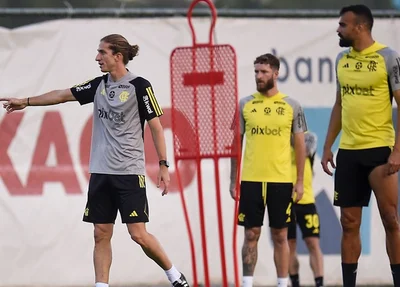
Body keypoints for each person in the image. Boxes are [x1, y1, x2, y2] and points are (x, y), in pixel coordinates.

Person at [0, 34, 189, 287]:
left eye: (102, 52)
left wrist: (164, 165)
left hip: (128, 173)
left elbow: (156, 126)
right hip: (100, 173)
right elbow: (61, 95)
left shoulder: (140, 86)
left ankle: (174, 275)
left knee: (138, 235)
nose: (97, 57)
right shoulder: (98, 85)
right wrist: (26, 101)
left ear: (118, 57)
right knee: (101, 234)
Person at [320, 4, 400, 287]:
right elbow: (340, 104)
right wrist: (329, 146)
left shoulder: (388, 58)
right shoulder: (342, 59)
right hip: (349, 153)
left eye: (343, 25)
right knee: (349, 224)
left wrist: (398, 150)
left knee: (390, 220)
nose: (338, 29)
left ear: (360, 27)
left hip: (379, 151)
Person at [229, 53, 307, 287]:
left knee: (280, 235)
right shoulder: (245, 104)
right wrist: (234, 180)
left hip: (281, 181)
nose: (258, 76)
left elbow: (300, 145)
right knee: (251, 234)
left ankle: (282, 283)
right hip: (251, 180)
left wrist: (300, 180)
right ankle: (246, 283)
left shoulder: (292, 105)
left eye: (263, 72)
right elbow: (236, 144)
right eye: (256, 72)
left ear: (276, 73)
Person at [288, 131, 324, 287]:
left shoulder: (308, 138)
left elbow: (306, 147)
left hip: (307, 200)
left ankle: (320, 283)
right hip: (286, 202)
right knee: (289, 246)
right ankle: (294, 282)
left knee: (313, 243)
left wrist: (292, 135)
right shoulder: (278, 142)